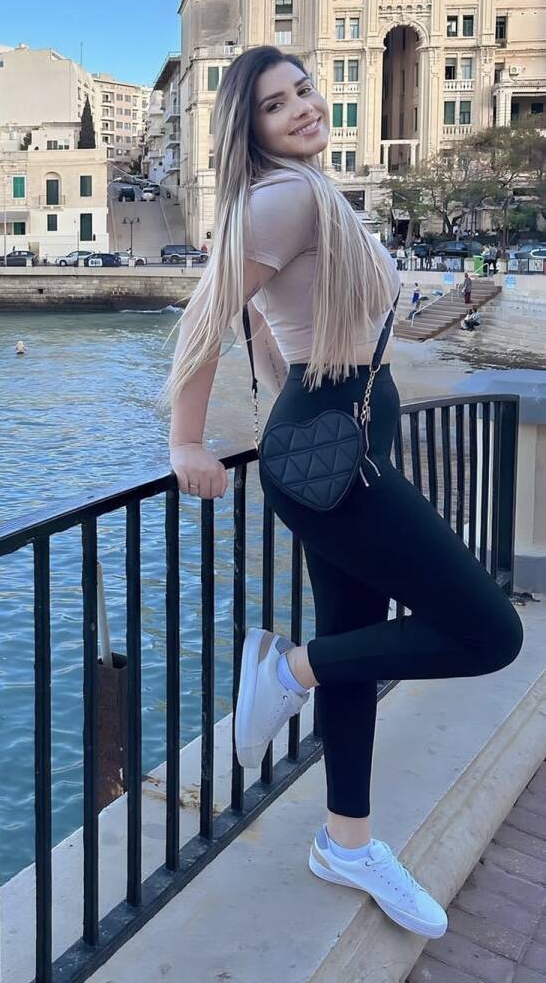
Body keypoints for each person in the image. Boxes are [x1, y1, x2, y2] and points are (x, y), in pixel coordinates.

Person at [160, 47, 522, 941]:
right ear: (248, 129)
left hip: (339, 438)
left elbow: (269, 322)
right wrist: (185, 443)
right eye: (275, 104)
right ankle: (285, 672)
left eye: (304, 90)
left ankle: (345, 842)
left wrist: (293, 402)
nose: (302, 108)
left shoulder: (317, 193)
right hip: (330, 449)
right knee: (489, 633)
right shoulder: (281, 199)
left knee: (354, 642)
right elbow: (204, 321)